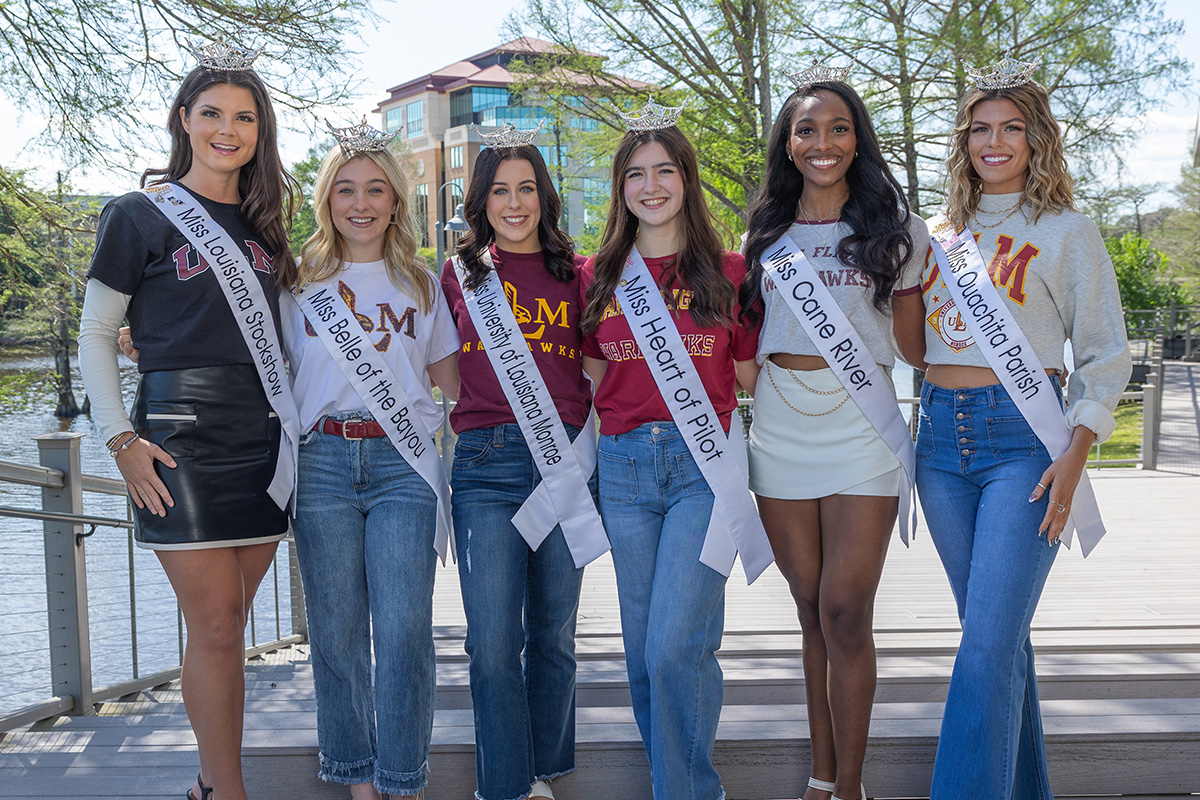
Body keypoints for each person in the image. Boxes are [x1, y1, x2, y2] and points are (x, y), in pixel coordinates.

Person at [78, 40, 301, 800]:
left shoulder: (272, 224)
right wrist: (121, 440)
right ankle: (227, 792)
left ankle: (213, 784)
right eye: (212, 113)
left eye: (244, 116)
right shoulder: (138, 215)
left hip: (266, 435)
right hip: (179, 434)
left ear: (259, 131)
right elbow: (95, 335)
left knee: (231, 625)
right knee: (214, 619)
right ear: (184, 119)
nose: (227, 129)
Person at [907, 56, 1132, 800]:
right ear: (963, 142)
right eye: (980, 130)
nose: (994, 143)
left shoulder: (1068, 232)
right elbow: (911, 338)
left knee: (986, 647)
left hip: (1023, 443)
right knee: (995, 644)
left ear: (1037, 140)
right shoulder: (935, 233)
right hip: (938, 443)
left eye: (1011, 129)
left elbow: (1104, 352)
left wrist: (1077, 451)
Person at [738, 68, 927, 800]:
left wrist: (915, 288)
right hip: (782, 425)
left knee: (848, 609)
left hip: (862, 425)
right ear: (788, 143)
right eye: (807, 130)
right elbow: (747, 339)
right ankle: (821, 780)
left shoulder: (897, 230)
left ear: (858, 138)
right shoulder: (765, 232)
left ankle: (851, 788)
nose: (823, 142)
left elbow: (913, 348)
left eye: (838, 128)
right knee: (811, 609)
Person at [578, 101, 767, 800]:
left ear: (686, 179)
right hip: (625, 469)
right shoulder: (594, 274)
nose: (650, 186)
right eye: (635, 174)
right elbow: (594, 376)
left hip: (703, 469)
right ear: (621, 187)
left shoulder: (730, 271)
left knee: (676, 647)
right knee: (642, 656)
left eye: (664, 171)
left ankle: (690, 792)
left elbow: (754, 377)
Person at [282, 122, 460, 799]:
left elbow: (455, 381)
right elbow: (251, 358)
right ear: (328, 199)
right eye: (346, 190)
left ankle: (403, 777)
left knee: (407, 629)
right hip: (322, 461)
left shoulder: (421, 282)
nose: (360, 204)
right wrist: (147, 336)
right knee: (335, 631)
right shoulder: (297, 282)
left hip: (403, 466)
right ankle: (357, 778)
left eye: (375, 190)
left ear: (395, 201)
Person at [441, 133, 607, 800]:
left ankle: (547, 771)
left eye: (527, 188)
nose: (515, 203)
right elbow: (443, 373)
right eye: (500, 191)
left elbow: (598, 367)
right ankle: (504, 787)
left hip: (564, 458)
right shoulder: (457, 275)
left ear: (545, 196)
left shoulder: (580, 275)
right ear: (480, 202)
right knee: (489, 640)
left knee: (553, 634)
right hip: (484, 464)